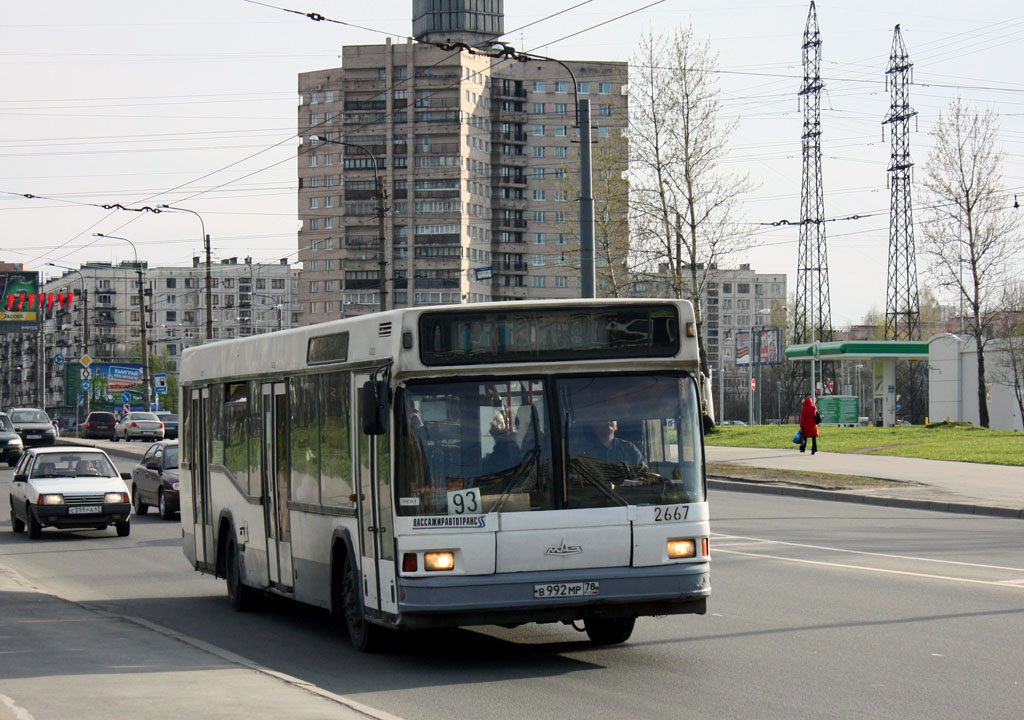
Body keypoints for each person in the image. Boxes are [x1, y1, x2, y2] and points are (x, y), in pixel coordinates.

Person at [577, 420, 646, 467]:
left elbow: (644, 473)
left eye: (612, 418)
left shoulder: (629, 448)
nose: (608, 421)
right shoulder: (584, 450)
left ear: (616, 426)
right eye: (603, 418)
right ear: (593, 425)